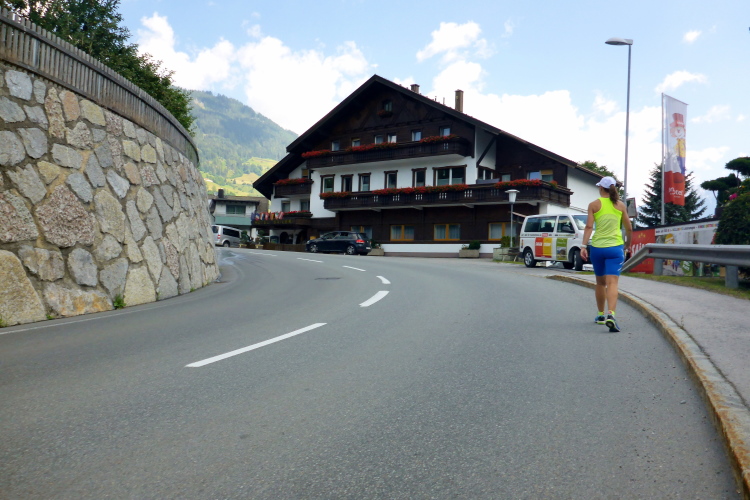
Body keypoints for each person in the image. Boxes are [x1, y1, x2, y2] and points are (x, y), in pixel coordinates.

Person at [580, 176, 632, 332]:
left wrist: (583, 246)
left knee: (600, 283)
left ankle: (600, 315)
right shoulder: (620, 205)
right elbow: (629, 228)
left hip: (597, 248)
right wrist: (628, 244)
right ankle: (611, 315)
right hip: (615, 248)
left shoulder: (593, 205)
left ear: (601, 188)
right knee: (612, 283)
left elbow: (589, 227)